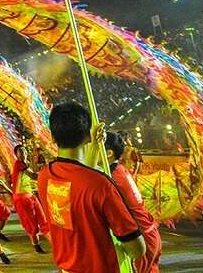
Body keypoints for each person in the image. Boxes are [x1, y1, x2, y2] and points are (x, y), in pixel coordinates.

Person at [37, 102, 146, 273]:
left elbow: (78, 178)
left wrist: (95, 145)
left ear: (52, 137)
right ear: (88, 135)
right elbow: (137, 249)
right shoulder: (100, 184)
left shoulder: (45, 176)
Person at [105, 132, 162, 273]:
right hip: (149, 232)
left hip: (141, 239)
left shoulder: (110, 178)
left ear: (108, 153)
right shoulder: (120, 170)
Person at [12, 144, 49, 253]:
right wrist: (47, 170)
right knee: (32, 225)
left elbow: (32, 178)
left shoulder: (25, 164)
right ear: (16, 154)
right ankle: (36, 245)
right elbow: (34, 176)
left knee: (43, 220)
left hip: (30, 195)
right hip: (22, 198)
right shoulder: (19, 164)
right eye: (20, 152)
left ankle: (47, 244)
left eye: (24, 151)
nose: (23, 153)